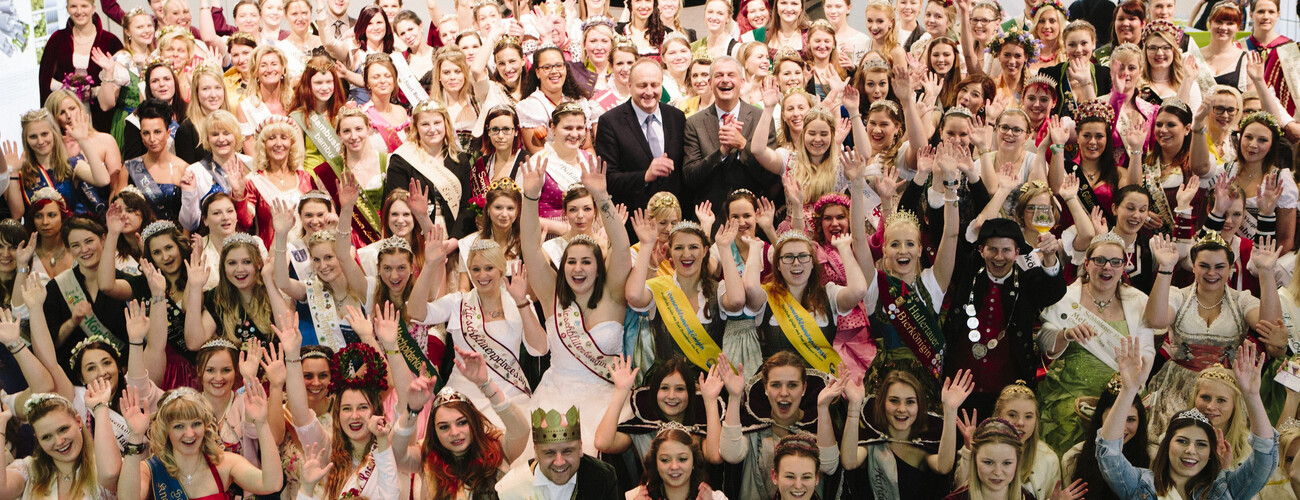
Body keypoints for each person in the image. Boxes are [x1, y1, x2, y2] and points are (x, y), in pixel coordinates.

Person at [518, 154, 632, 456]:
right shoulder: (551, 296)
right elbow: (530, 246)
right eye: (571, 262)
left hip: (608, 403)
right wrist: (531, 197)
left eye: (586, 262)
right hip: (554, 400)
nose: (578, 269)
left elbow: (621, 246)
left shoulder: (614, 294)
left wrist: (601, 195)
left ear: (599, 267)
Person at [1143, 231, 1283, 443]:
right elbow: (1156, 320)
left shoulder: (1241, 300)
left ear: (1230, 268)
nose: (1211, 273)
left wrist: (1265, 272)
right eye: (1204, 266)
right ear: (1193, 265)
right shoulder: (1178, 295)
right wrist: (1165, 268)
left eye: (1219, 267)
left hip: (1224, 391)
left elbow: (1270, 326)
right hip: (1177, 388)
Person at [1097, 338, 1277, 500]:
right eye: (1182, 441)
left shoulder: (1225, 488)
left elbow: (1265, 458)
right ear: (1166, 445)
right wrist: (1128, 390)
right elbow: (1109, 454)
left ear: (1210, 454)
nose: (1191, 450)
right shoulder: (1141, 485)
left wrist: (1252, 396)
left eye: (1201, 444)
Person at [1036, 232, 1156, 454]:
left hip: (1123, 398)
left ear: (1123, 266)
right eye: (1099, 260)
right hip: (1071, 397)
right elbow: (1044, 343)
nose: (1107, 267)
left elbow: (1147, 351)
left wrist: (1132, 381)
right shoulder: (1066, 297)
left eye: (1115, 262)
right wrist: (1066, 335)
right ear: (1087, 263)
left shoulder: (1138, 301)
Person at [942, 219, 1067, 416]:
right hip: (958, 391)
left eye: (1006, 250)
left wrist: (1050, 257)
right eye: (992, 249)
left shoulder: (1027, 282)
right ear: (981, 250)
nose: (999, 257)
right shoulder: (967, 274)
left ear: (1017, 252)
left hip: (1007, 397)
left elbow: (1053, 292)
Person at [116, 384, 284, 500]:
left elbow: (272, 484)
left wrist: (261, 423)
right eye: (179, 426)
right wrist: (135, 436)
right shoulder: (150, 470)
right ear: (166, 430)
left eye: (196, 424)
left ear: (206, 426)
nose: (190, 434)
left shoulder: (224, 463)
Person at [841, 368, 974, 499]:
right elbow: (849, 462)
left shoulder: (923, 449)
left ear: (919, 407)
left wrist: (950, 411)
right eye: (894, 400)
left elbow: (943, 467)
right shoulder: (872, 443)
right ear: (882, 404)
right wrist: (854, 406)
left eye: (910, 402)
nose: (902, 409)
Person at [683, 56, 780, 225]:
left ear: (742, 82)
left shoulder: (760, 118)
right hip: (710, 221)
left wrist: (743, 145)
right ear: (710, 82)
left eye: (731, 75)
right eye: (719, 75)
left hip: (753, 219)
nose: (725, 80)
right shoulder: (694, 123)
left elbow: (770, 176)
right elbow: (690, 178)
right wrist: (721, 152)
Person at [595, 59, 686, 225]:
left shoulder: (677, 117)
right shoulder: (610, 122)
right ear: (629, 86)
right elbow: (608, 179)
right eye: (642, 85)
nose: (649, 92)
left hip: (674, 222)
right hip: (633, 222)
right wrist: (645, 175)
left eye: (654, 85)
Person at [494, 406, 621, 499]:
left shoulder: (602, 478)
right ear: (536, 452)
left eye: (567, 451)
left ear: (580, 448)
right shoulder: (510, 488)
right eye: (549, 453)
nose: (559, 462)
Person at [38, 0, 124, 103]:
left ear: (93, 8)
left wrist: (94, 92)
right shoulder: (57, 40)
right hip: (66, 113)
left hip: (101, 114)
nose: (79, 11)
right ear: (67, 9)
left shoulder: (111, 41)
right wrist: (67, 90)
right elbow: (45, 79)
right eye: (73, 6)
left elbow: (120, 84)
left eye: (84, 6)